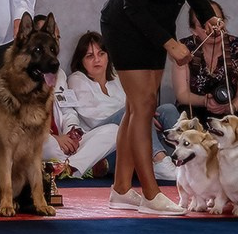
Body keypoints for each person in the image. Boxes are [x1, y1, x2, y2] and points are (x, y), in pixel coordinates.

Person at [100, 0, 225, 215]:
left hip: (153, 26)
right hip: (127, 26)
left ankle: (121, 189)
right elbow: (132, 5)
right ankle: (151, 193)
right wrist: (170, 44)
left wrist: (207, 14)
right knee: (143, 107)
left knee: (137, 107)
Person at [45, 30, 178, 181]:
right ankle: (159, 159)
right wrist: (140, 116)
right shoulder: (77, 79)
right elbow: (94, 118)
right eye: (90, 56)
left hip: (129, 132)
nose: (97, 60)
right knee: (133, 113)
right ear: (81, 60)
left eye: (101, 54)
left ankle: (182, 163)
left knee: (167, 110)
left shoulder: (117, 77)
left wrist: (141, 115)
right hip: (101, 139)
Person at [172, 0, 238, 128]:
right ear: (193, 30)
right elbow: (182, 94)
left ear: (224, 22)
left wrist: (229, 107)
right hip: (195, 111)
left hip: (231, 112)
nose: (213, 28)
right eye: (204, 25)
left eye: (216, 21)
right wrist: (205, 101)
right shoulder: (183, 49)